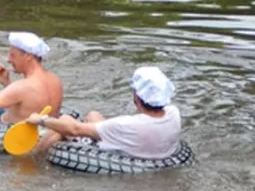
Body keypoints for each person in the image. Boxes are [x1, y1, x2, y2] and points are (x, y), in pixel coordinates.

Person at [26, 66, 182, 159]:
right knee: (93, 115)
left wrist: (41, 119)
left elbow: (74, 129)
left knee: (65, 121)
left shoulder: (126, 124)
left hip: (120, 155)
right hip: (149, 150)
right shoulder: (173, 114)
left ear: (137, 96)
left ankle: (32, 159)